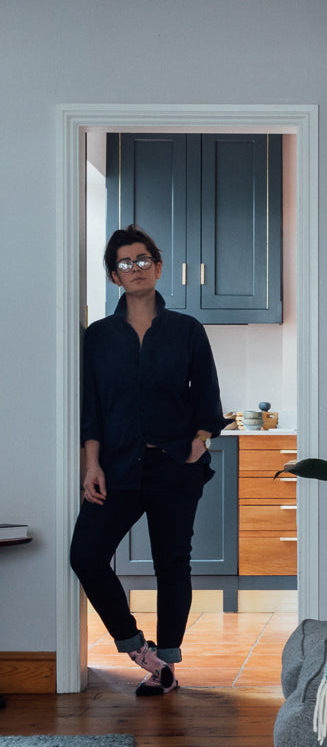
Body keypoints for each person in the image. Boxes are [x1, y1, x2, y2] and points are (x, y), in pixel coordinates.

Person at [70, 224, 228, 696]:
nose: (134, 269)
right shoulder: (97, 336)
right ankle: (136, 645)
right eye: (124, 263)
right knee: (87, 555)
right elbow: (91, 407)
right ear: (114, 277)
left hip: (174, 467)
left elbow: (208, 396)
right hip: (115, 468)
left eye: (142, 260)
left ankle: (167, 665)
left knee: (171, 564)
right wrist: (91, 465)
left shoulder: (186, 330)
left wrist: (199, 441)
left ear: (157, 268)